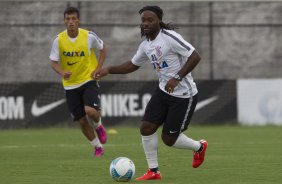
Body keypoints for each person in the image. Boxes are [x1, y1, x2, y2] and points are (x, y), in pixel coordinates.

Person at [95, 5, 208, 180]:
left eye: (150, 20)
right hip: (163, 91)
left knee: (169, 140)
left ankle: (199, 147)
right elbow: (132, 65)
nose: (145, 23)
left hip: (184, 95)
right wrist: (108, 69)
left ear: (159, 22)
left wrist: (177, 77)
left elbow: (195, 56)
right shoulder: (146, 45)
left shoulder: (170, 38)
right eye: (143, 21)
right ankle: (153, 171)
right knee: (146, 128)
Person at [49, 7, 107, 157]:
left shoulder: (88, 36)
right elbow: (53, 61)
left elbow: (103, 49)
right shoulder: (59, 40)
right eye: (68, 19)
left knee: (90, 111)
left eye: (74, 18)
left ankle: (99, 125)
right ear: (64, 21)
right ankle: (97, 147)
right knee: (81, 121)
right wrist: (62, 72)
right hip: (70, 85)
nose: (71, 22)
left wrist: (98, 69)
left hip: (88, 79)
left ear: (78, 20)